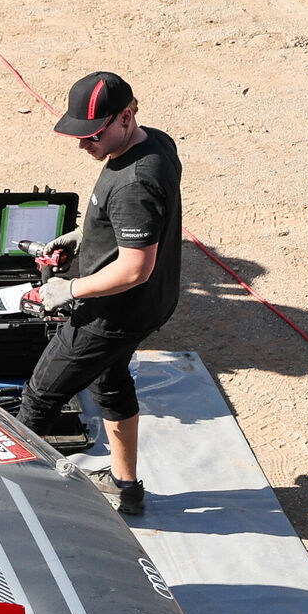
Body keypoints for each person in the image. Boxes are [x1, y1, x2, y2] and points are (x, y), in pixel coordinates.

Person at [26, 71, 183, 518]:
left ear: (126, 118)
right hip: (148, 305)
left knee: (38, 399)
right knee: (111, 383)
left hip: (111, 314)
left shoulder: (134, 181)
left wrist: (69, 289)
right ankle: (126, 486)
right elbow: (140, 226)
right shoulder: (157, 144)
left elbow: (135, 267)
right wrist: (82, 236)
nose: (83, 145)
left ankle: (14, 507)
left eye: (92, 135)